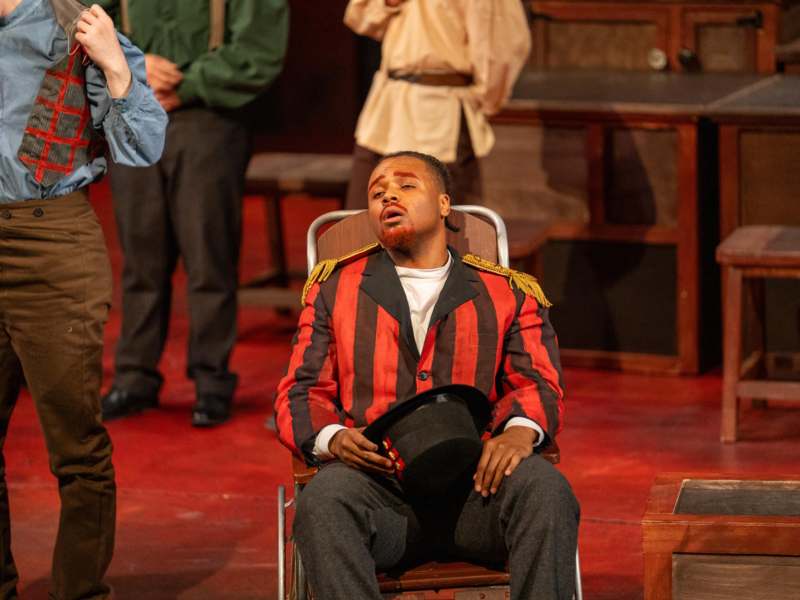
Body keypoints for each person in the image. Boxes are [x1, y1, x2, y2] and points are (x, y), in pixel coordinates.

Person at [274, 151, 579, 599]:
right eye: (377, 192)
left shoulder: (507, 292)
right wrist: (333, 438)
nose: (388, 196)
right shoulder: (335, 290)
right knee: (323, 502)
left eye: (406, 185)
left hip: (479, 489)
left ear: (443, 204)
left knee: (547, 489)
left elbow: (537, 382)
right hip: (381, 493)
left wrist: (519, 432)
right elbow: (301, 391)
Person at [0, 0, 167, 596]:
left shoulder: (75, 21)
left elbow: (142, 146)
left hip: (50, 242)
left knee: (75, 443)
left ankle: (79, 592)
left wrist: (115, 66)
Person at [98, 0, 289, 427]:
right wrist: (133, 62)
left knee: (208, 255)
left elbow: (260, 48)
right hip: (133, 109)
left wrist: (187, 85)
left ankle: (211, 379)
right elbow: (86, 19)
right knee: (141, 258)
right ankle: (134, 377)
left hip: (207, 117)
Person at [343, 0, 531, 209]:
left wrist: (480, 98)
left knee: (436, 210)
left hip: (441, 109)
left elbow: (502, 44)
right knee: (362, 211)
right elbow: (359, 17)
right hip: (387, 107)